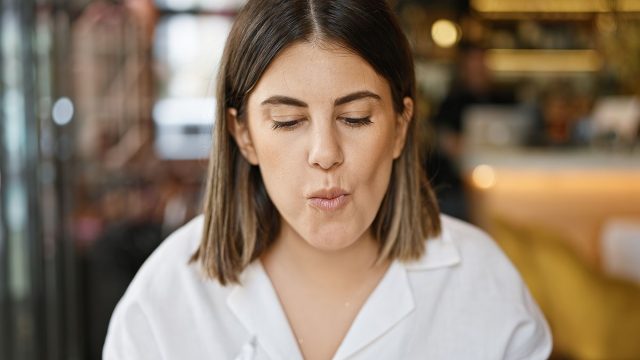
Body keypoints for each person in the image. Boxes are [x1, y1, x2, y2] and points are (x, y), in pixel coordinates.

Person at [103, 1, 552, 359]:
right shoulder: (164, 303)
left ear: (399, 126)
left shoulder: (481, 285)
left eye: (355, 118)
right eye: (286, 120)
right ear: (244, 135)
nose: (325, 154)